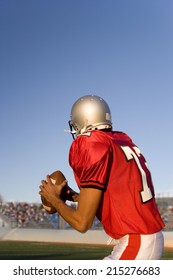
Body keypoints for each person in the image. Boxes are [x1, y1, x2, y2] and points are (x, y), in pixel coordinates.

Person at [39, 95, 165, 260]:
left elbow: (82, 223)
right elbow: (117, 191)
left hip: (137, 242)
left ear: (83, 120)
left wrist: (55, 199)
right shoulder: (120, 141)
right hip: (146, 238)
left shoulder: (90, 144)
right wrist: (77, 197)